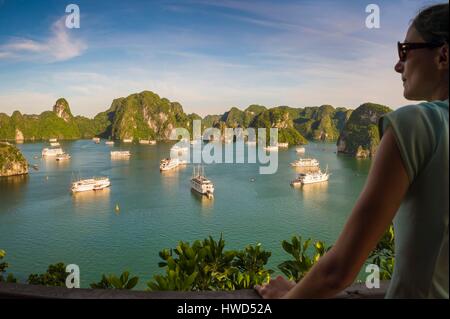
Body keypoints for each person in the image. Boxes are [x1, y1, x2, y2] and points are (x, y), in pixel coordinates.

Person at [255, 3, 448, 299]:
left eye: (405, 51)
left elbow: (338, 272)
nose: (398, 65)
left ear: (443, 55)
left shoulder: (416, 124)